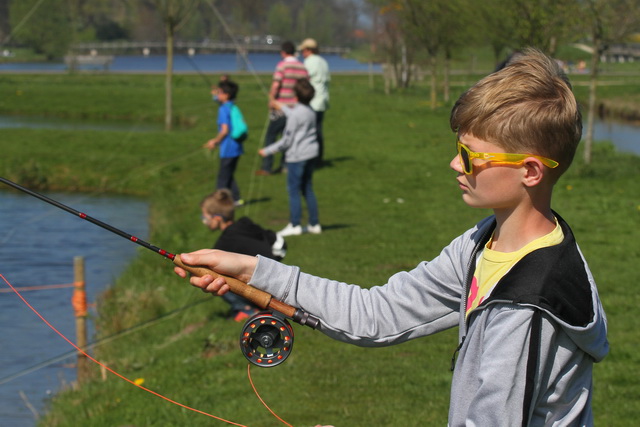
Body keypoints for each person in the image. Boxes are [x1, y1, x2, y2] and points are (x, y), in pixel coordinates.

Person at [176, 49, 609, 425]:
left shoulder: (527, 305)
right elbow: (376, 312)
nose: (455, 166)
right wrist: (254, 271)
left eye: (469, 156)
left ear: (530, 171)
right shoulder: (484, 243)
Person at [200, 189, 287, 321]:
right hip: (279, 281)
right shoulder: (247, 225)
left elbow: (207, 267)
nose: (203, 222)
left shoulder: (226, 241)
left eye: (205, 218)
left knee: (216, 278)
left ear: (217, 219)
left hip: (263, 292)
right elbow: (280, 244)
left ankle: (247, 309)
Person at [259, 78, 321, 237]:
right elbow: (293, 112)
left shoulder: (295, 115)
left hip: (297, 157)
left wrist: (267, 150)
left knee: (293, 190)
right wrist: (279, 105)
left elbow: (286, 141)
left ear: (295, 95)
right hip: (311, 154)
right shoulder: (310, 111)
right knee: (307, 188)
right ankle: (314, 224)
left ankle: (295, 225)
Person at [256, 40, 309, 176]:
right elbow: (306, 86)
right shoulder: (302, 67)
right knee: (288, 136)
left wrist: (271, 100)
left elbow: (275, 85)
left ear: (283, 52)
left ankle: (267, 167)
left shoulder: (282, 65)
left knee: (271, 135)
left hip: (281, 107)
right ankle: (285, 165)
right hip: (296, 108)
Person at [205, 79, 245, 206]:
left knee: (222, 179)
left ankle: (219, 205)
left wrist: (214, 142)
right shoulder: (232, 105)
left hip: (228, 148)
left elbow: (224, 130)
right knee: (229, 174)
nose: (218, 95)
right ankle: (237, 199)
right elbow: (219, 100)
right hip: (237, 147)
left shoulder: (223, 109)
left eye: (220, 92)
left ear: (226, 95)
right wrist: (215, 95)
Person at [299, 38, 330, 166]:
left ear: (307, 50)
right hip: (322, 100)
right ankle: (318, 159)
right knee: (318, 131)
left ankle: (311, 159)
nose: (302, 53)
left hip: (312, 101)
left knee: (310, 132)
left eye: (303, 50)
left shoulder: (310, 62)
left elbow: (303, 79)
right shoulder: (323, 61)